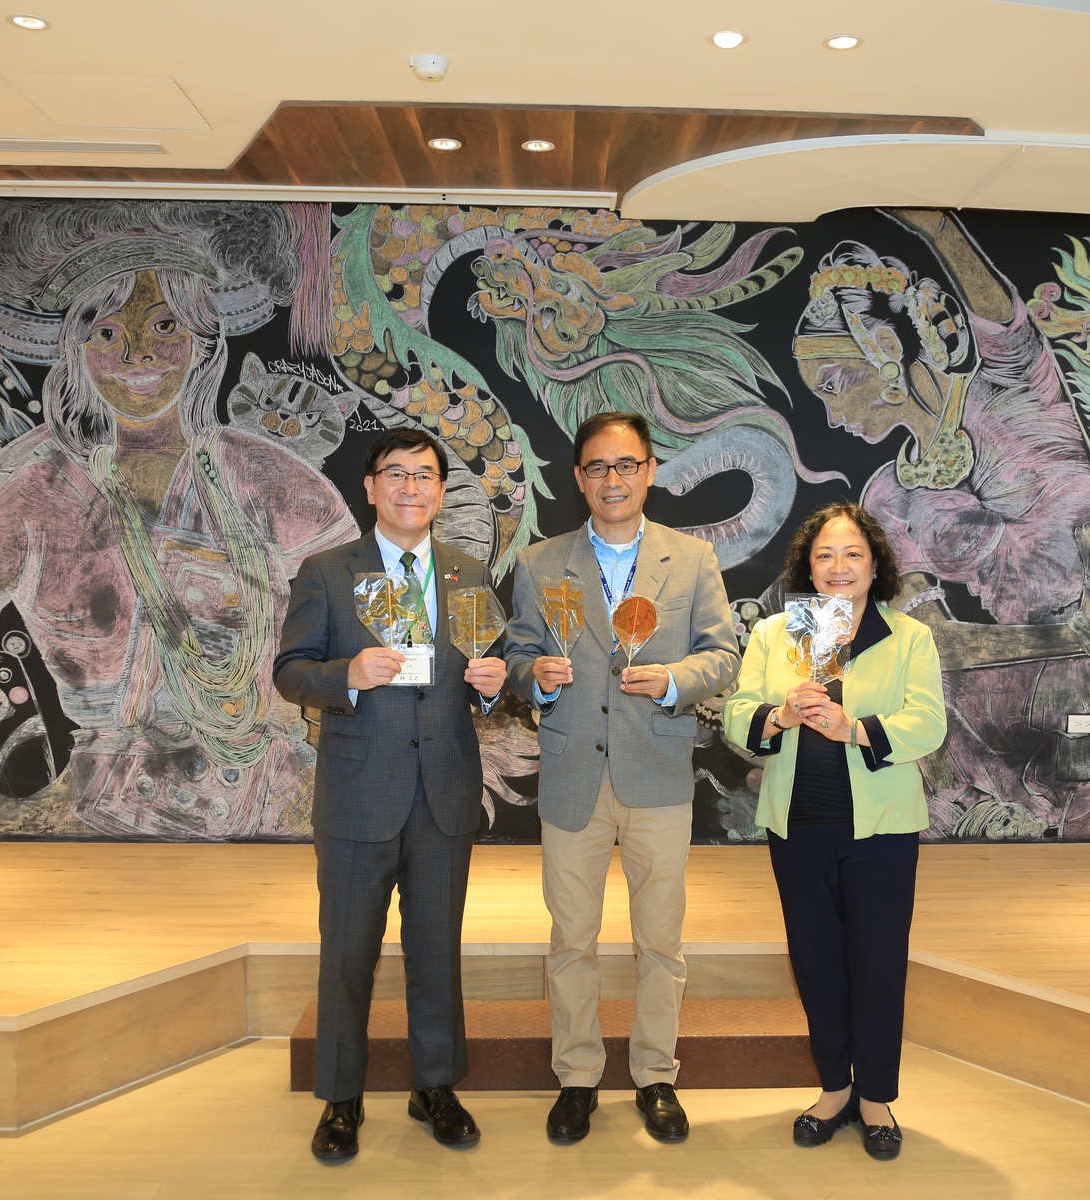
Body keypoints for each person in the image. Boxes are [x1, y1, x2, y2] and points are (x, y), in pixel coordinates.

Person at [0, 200, 356, 839]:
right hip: (106, 832)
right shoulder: (39, 496)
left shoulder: (281, 486)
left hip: (286, 821)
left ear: (204, 338)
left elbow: (378, 646)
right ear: (77, 351)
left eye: (165, 324)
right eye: (108, 333)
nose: (139, 354)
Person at [504, 410, 740, 1145]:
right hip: (574, 775)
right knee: (571, 939)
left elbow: (723, 655)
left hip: (658, 771)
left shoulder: (692, 560)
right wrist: (534, 677)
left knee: (660, 942)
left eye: (627, 465)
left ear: (650, 472)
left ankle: (656, 1075)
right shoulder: (541, 564)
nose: (613, 479)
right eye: (598, 467)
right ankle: (577, 1076)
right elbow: (514, 656)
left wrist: (673, 679)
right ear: (578, 478)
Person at [273, 426, 509, 1162]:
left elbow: (492, 671)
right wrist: (347, 673)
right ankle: (340, 1098)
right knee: (348, 953)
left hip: (443, 792)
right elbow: (289, 671)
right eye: (396, 475)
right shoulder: (327, 572)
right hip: (357, 793)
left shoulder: (468, 574)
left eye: (426, 476)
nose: (412, 488)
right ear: (371, 487)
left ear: (442, 491)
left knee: (436, 949)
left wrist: (496, 686)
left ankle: (434, 1085)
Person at [722, 501, 947, 1161]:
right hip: (799, 824)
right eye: (825, 555)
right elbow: (738, 713)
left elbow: (928, 723)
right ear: (808, 567)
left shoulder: (908, 637)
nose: (839, 566)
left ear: (875, 565)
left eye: (853, 554)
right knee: (816, 961)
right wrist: (779, 715)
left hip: (881, 828)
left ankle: (874, 1096)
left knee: (876, 962)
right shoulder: (776, 634)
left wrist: (854, 729)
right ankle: (833, 1088)